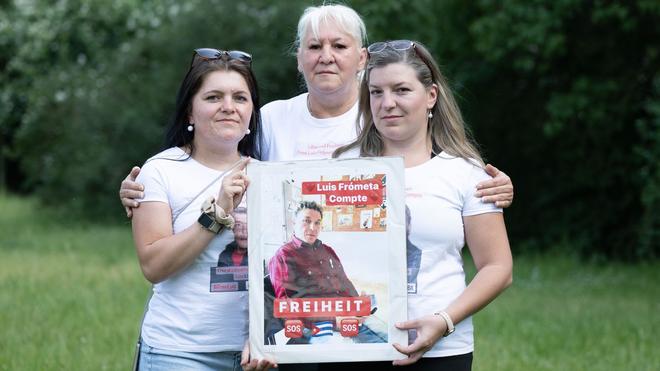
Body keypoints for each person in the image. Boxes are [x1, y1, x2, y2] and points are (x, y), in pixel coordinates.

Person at [119, 4, 514, 215]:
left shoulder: (383, 112)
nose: (326, 57)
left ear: (362, 58)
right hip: (287, 291)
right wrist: (149, 189)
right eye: (314, 47)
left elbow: (432, 172)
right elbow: (222, 167)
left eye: (339, 47)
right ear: (299, 60)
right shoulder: (270, 118)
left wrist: (491, 186)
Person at [329, 39, 514, 370]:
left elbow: (498, 268)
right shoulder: (342, 166)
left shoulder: (465, 171)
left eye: (401, 90)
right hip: (353, 344)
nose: (387, 103)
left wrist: (443, 321)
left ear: (431, 96)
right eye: (376, 92)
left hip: (442, 349)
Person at [130, 47, 274, 371]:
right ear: (190, 113)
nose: (228, 107)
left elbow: (280, 272)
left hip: (256, 354)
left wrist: (267, 335)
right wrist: (217, 215)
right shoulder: (161, 170)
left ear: (252, 111)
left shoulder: (270, 176)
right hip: (179, 352)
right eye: (213, 97)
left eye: (240, 98)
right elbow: (153, 266)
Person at [267, 201, 385, 345]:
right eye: (307, 221)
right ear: (294, 223)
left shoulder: (328, 251)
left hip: (346, 318)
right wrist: (334, 320)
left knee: (388, 340)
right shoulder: (283, 256)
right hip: (315, 328)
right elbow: (287, 307)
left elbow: (344, 282)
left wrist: (358, 304)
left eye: (317, 223)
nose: (313, 228)